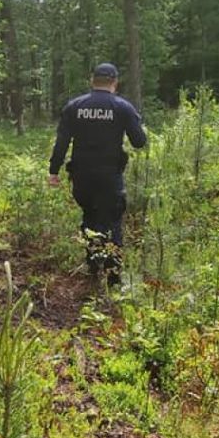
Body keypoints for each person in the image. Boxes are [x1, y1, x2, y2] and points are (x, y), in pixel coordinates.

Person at [48, 63, 147, 284]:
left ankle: (93, 268)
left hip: (82, 176)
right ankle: (113, 277)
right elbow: (139, 142)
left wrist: (53, 171)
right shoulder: (123, 107)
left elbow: (61, 142)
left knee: (90, 216)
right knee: (112, 221)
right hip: (110, 175)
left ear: (92, 80)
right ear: (115, 82)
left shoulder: (74, 106)